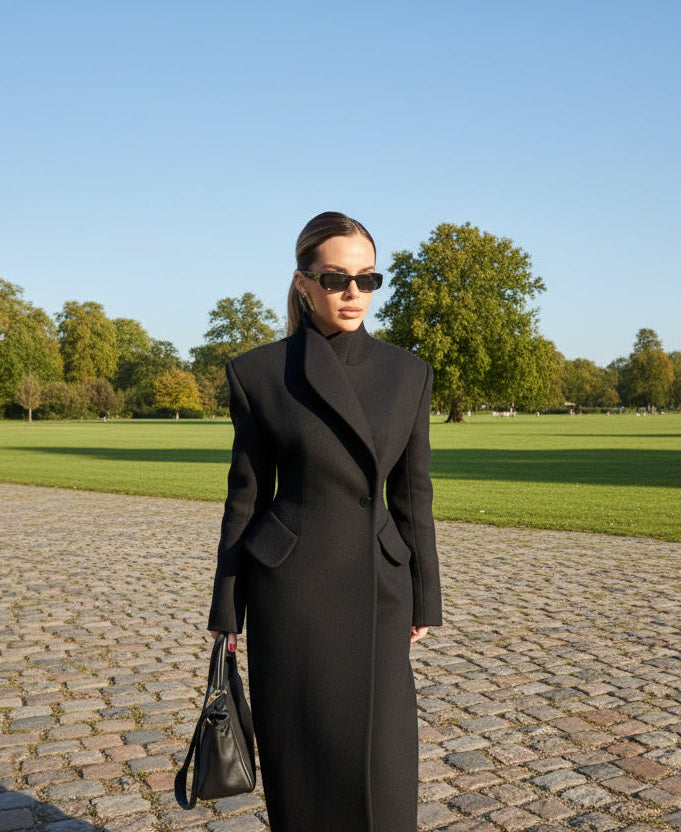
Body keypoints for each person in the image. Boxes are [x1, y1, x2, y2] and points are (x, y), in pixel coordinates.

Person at [208, 211, 442, 832]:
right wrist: (227, 610)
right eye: (336, 278)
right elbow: (246, 497)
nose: (353, 293)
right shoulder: (259, 373)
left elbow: (412, 496)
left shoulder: (408, 373)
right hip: (292, 594)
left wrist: (425, 595)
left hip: (379, 589)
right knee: (305, 761)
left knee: (383, 765)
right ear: (303, 283)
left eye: (368, 279)